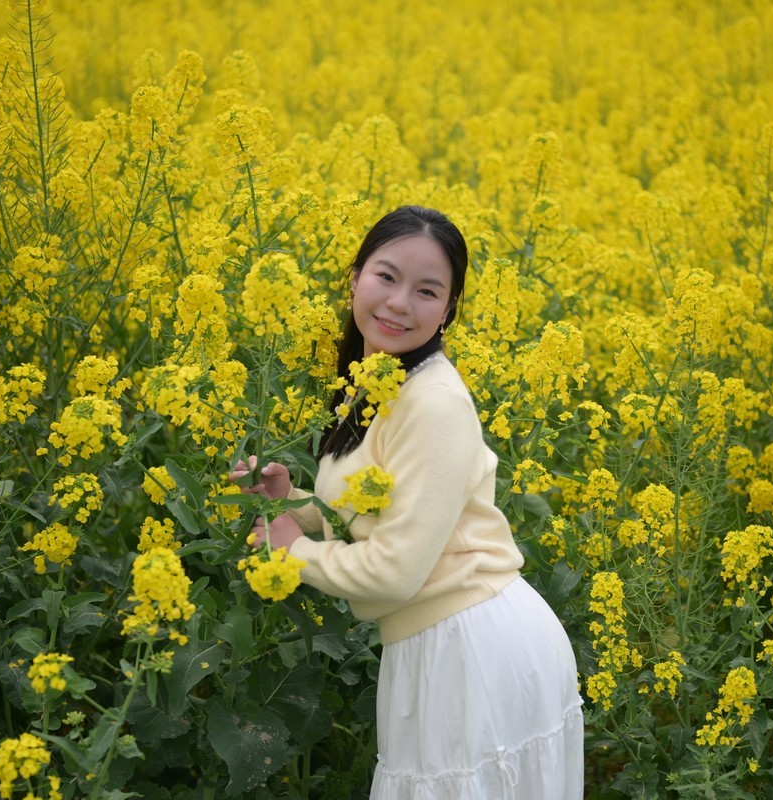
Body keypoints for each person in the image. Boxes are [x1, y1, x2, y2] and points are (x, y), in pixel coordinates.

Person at [230, 205, 584, 798]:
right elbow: (370, 509)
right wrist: (287, 504)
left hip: (472, 646)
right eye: (386, 277)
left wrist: (294, 554)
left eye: (427, 291)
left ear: (448, 310)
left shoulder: (433, 401)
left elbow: (394, 570)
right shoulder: (377, 378)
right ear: (355, 276)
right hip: (440, 640)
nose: (399, 303)